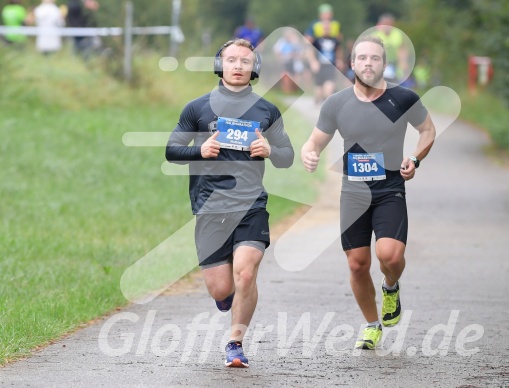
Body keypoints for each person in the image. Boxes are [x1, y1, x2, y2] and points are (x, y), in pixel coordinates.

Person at [301, 35, 436, 349]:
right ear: (351, 64)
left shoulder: (402, 99)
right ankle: (372, 325)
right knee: (357, 264)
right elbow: (315, 141)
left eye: (375, 58)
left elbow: (427, 130)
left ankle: (391, 285)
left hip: (390, 186)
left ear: (384, 64)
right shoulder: (337, 102)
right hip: (354, 191)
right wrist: (310, 152)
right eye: (362, 58)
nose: (368, 64)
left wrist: (415, 158)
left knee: (390, 255)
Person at [165, 39, 294, 368]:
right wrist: (199, 150)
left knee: (246, 274)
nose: (238, 66)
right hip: (209, 206)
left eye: (245, 61)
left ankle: (235, 343)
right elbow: (171, 151)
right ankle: (228, 300)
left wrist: (270, 150)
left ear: (255, 68)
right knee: (220, 287)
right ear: (219, 65)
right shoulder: (197, 108)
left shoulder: (267, 110)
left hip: (251, 204)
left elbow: (286, 157)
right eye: (231, 60)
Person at [307, 19, 341, 104]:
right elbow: (310, 51)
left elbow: (338, 51)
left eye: (328, 28)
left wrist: (339, 60)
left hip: (330, 66)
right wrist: (313, 62)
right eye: (325, 28)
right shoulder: (317, 40)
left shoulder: (335, 40)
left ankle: (328, 104)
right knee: (319, 91)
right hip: (320, 66)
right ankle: (317, 101)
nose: (326, 29)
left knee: (329, 87)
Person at [371, 14, 408, 84]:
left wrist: (403, 62)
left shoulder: (398, 34)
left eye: (389, 24)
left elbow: (402, 49)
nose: (387, 26)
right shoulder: (375, 35)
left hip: (395, 63)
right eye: (385, 24)